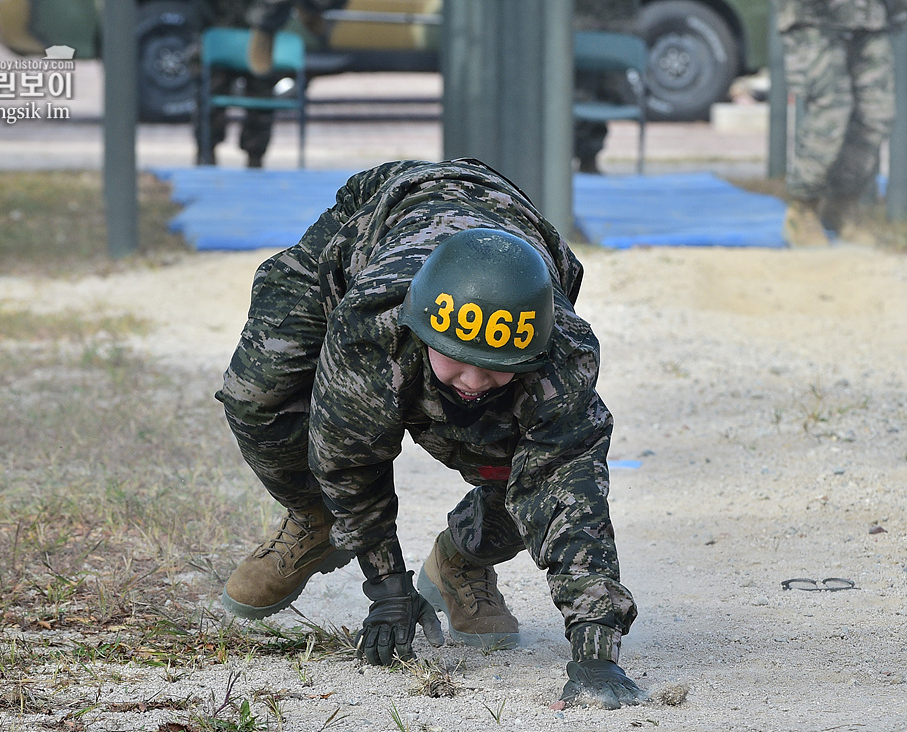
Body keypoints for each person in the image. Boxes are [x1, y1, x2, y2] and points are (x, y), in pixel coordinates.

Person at [216, 158, 646, 710]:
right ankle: (314, 515)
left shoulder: (560, 360)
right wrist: (387, 587)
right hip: (372, 226)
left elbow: (568, 498)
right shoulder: (373, 325)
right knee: (260, 390)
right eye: (459, 360)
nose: (472, 381)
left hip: (516, 225)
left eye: (496, 367)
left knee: (523, 475)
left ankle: (459, 559)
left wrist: (595, 652)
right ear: (421, 334)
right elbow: (348, 455)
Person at [774, 0, 906, 246]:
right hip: (813, 17)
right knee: (831, 112)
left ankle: (841, 207)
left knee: (876, 113)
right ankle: (802, 209)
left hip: (870, 16)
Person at [196, 0, 280, 168]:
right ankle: (206, 152)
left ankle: (255, 157)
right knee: (209, 90)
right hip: (219, 29)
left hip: (260, 31)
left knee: (262, 94)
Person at [573, 0, 643, 175]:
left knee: (606, 89)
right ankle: (580, 156)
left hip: (615, 19)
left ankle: (589, 158)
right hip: (581, 21)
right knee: (580, 91)